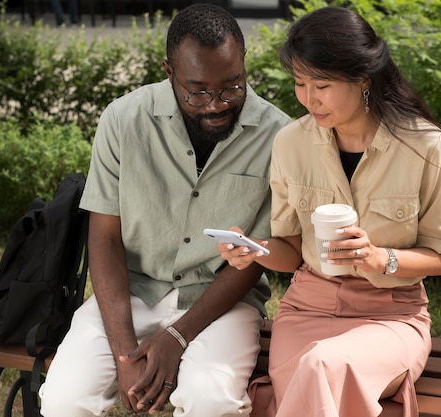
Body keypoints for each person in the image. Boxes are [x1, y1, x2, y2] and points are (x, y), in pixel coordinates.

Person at [38, 4, 291, 417]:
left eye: (232, 86)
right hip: (131, 293)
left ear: (243, 63)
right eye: (197, 91)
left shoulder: (278, 136)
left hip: (220, 304)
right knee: (66, 398)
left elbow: (254, 261)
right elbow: (104, 239)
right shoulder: (123, 120)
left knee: (211, 401)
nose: (215, 105)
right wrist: (124, 357)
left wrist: (177, 337)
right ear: (169, 71)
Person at [218, 6, 441, 417]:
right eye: (299, 84)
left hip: (391, 316)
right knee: (314, 375)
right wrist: (254, 249)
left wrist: (378, 258)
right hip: (306, 310)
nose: (308, 99)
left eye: (323, 85)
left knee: (319, 368)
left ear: (363, 79)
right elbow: (291, 251)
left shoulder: (426, 146)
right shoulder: (291, 143)